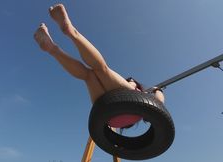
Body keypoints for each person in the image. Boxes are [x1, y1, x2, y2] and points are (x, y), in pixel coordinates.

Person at [34, 4, 165, 129]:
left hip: (109, 108)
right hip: (107, 115)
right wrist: (158, 91)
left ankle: (65, 37)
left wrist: (157, 90)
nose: (129, 80)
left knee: (99, 69)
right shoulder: (141, 107)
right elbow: (158, 103)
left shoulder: (136, 92)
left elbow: (157, 103)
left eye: (130, 80)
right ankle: (52, 47)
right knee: (89, 74)